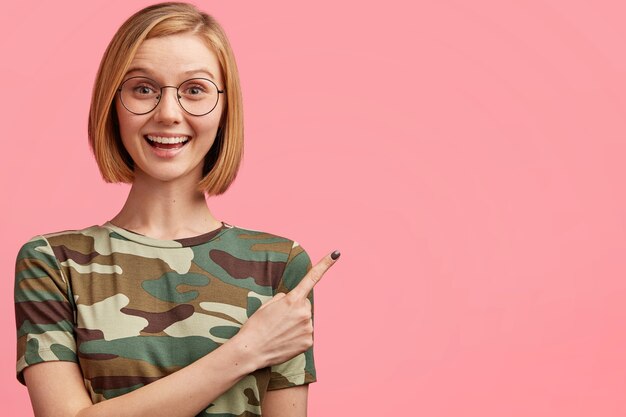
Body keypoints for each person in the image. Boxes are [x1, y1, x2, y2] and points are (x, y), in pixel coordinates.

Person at [14, 3, 339, 416]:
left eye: (195, 89)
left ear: (225, 108)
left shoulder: (279, 266)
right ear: (113, 103)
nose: (168, 114)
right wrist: (246, 350)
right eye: (143, 89)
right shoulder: (52, 263)